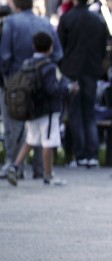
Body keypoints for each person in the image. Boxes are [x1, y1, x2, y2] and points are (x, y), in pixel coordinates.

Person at [0, 0, 63, 179]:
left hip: (17, 82)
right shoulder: (44, 22)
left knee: (15, 125)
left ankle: (14, 165)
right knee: (40, 125)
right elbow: (58, 53)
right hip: (41, 83)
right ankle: (40, 168)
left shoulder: (11, 23)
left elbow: (4, 56)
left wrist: (8, 77)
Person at [6, 32, 78, 187]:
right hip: (48, 111)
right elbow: (53, 89)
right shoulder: (49, 66)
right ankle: (48, 174)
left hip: (31, 109)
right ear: (50, 47)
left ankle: (15, 166)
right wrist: (68, 89)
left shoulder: (27, 63)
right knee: (48, 143)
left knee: (30, 140)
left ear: (34, 46)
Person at [57, 0, 107, 168]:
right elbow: (103, 46)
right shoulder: (97, 19)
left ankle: (80, 155)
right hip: (91, 69)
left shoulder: (67, 19)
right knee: (89, 113)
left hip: (72, 69)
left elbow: (59, 46)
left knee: (75, 113)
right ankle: (92, 154)